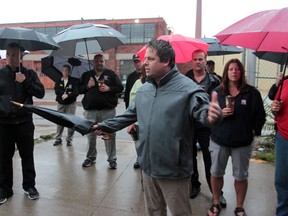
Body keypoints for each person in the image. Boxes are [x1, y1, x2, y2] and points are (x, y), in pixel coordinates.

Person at [92, 39, 223, 215]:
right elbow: (128, 115)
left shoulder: (188, 89)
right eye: (145, 58)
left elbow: (202, 111)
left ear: (166, 61)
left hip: (173, 170)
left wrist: (212, 115)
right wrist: (104, 126)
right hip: (148, 167)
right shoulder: (144, 90)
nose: (144, 63)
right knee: (154, 212)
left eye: (150, 59)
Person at [207, 58, 266, 216]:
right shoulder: (217, 92)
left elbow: (260, 115)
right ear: (226, 72)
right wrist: (220, 113)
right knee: (216, 172)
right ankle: (216, 202)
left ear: (241, 72)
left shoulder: (251, 93)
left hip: (242, 143)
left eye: (237, 69)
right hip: (219, 140)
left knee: (241, 176)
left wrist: (253, 131)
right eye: (231, 69)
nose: (234, 72)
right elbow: (208, 116)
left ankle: (240, 206)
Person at [0, 43, 45, 204]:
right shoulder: (1, 74)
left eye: (16, 54)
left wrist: (25, 81)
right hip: (4, 124)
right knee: (4, 157)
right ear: (6, 57)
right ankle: (5, 189)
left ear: (21, 57)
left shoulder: (29, 74)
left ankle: (29, 186)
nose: (12, 57)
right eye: (10, 55)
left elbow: (40, 93)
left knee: (27, 155)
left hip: (25, 122)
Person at [185, 50, 226, 207]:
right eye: (195, 59)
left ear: (205, 61)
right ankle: (194, 185)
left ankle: (216, 193)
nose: (197, 62)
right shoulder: (184, 79)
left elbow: (222, 101)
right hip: (188, 125)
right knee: (190, 158)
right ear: (192, 61)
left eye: (200, 59)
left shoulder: (215, 80)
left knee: (211, 161)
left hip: (207, 126)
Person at [78, 54, 123, 169]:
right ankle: (90, 158)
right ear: (93, 63)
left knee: (109, 135)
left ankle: (112, 159)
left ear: (105, 62)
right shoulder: (86, 75)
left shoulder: (111, 74)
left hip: (107, 111)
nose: (99, 63)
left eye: (101, 61)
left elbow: (120, 88)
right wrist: (87, 86)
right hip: (90, 112)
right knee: (91, 135)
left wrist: (109, 89)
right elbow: (78, 90)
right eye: (97, 61)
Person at [269, 73, 288, 216]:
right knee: (281, 180)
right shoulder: (285, 83)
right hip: (284, 137)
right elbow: (276, 106)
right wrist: (275, 108)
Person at [124, 54, 143, 168]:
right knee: (136, 138)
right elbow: (128, 96)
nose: (137, 63)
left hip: (146, 114)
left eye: (139, 61)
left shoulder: (151, 76)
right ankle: (139, 158)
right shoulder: (131, 77)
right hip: (134, 114)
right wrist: (128, 116)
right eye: (135, 61)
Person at [53, 64, 79, 146]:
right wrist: (62, 94)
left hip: (71, 103)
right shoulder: (59, 80)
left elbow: (76, 92)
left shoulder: (74, 80)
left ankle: (69, 139)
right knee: (59, 121)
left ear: (69, 72)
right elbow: (56, 90)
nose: (64, 72)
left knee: (71, 121)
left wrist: (68, 95)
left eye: (66, 70)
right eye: (63, 70)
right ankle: (58, 138)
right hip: (61, 103)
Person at [127, 65, 146, 169]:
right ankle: (139, 159)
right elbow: (132, 103)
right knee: (138, 142)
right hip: (139, 122)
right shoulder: (138, 84)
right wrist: (131, 122)